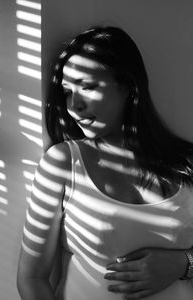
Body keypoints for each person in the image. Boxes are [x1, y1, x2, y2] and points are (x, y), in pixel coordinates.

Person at [17, 26, 193, 300]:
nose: (74, 105)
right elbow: (31, 278)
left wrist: (183, 264)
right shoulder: (63, 163)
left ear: (128, 86)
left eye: (87, 87)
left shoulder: (186, 164)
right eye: (67, 92)